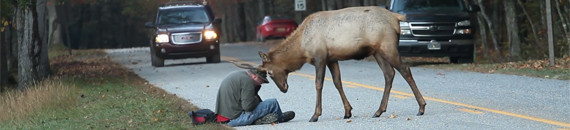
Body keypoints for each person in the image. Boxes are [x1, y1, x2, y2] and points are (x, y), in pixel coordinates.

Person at [215, 69, 295, 127]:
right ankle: (281, 118)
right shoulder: (248, 81)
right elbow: (248, 107)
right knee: (272, 103)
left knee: (262, 106)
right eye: (262, 80)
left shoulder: (239, 75)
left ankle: (261, 119)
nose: (262, 83)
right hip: (235, 119)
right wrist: (256, 99)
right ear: (254, 76)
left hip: (223, 119)